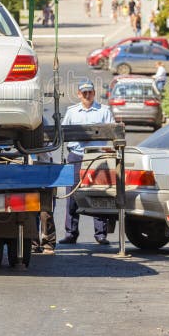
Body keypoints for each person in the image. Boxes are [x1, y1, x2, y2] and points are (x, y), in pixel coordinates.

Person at [58, 80, 115, 246]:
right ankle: (71, 233)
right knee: (72, 196)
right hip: (76, 156)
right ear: (79, 94)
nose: (87, 95)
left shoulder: (104, 111)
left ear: (94, 94)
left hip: (97, 158)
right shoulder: (72, 112)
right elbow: (62, 133)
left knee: (99, 194)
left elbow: (113, 132)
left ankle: (100, 234)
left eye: (90, 92)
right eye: (84, 93)